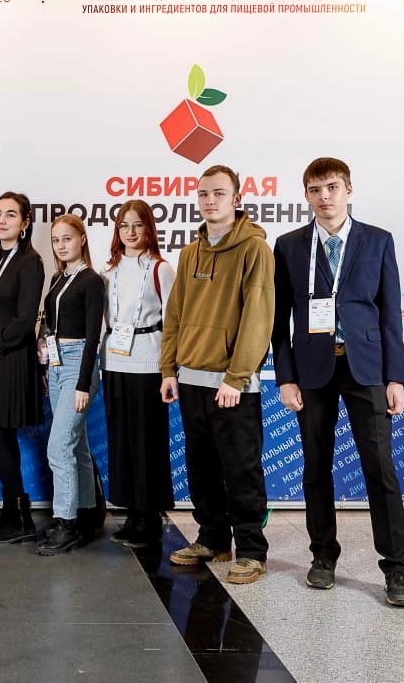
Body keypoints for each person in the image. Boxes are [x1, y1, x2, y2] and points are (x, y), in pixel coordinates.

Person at [272, 157, 404, 607]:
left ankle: (397, 567)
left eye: (332, 187)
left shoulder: (378, 240)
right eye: (315, 189)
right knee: (316, 467)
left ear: (348, 189)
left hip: (367, 368)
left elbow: (390, 314)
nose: (324, 196)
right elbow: (278, 321)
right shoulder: (288, 246)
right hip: (312, 371)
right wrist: (285, 377)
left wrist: (395, 377)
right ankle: (322, 555)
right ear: (306, 195)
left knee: (380, 468)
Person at [160, 164, 274, 584]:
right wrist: (168, 368)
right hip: (190, 379)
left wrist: (236, 377)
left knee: (241, 468)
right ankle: (212, 538)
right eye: (204, 193)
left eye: (219, 193)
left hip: (232, 384)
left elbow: (258, 317)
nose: (210, 200)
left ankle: (252, 550)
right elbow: (175, 314)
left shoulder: (254, 249)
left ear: (236, 198)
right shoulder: (189, 252)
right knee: (201, 466)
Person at [103, 201, 176, 549]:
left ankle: (150, 517)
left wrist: (169, 369)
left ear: (149, 229)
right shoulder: (109, 271)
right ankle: (132, 512)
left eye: (137, 225)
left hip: (148, 364)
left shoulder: (162, 269)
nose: (130, 232)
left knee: (147, 443)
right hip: (114, 363)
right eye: (124, 225)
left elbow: (174, 323)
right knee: (122, 442)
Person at [0, 192, 45, 545]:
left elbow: (24, 320)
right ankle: (14, 514)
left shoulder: (30, 262)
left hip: (11, 357)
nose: (2, 220)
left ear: (25, 223)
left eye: (11, 215)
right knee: (0, 436)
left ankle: (19, 515)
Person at [36, 214, 106, 556]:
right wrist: (45, 356)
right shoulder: (57, 278)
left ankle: (65, 523)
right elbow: (50, 324)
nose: (61, 245)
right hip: (57, 362)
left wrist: (82, 383)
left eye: (67, 238)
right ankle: (87, 512)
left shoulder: (91, 280)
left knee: (59, 446)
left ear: (82, 239)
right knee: (76, 445)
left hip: (80, 362)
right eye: (56, 240)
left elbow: (93, 336)